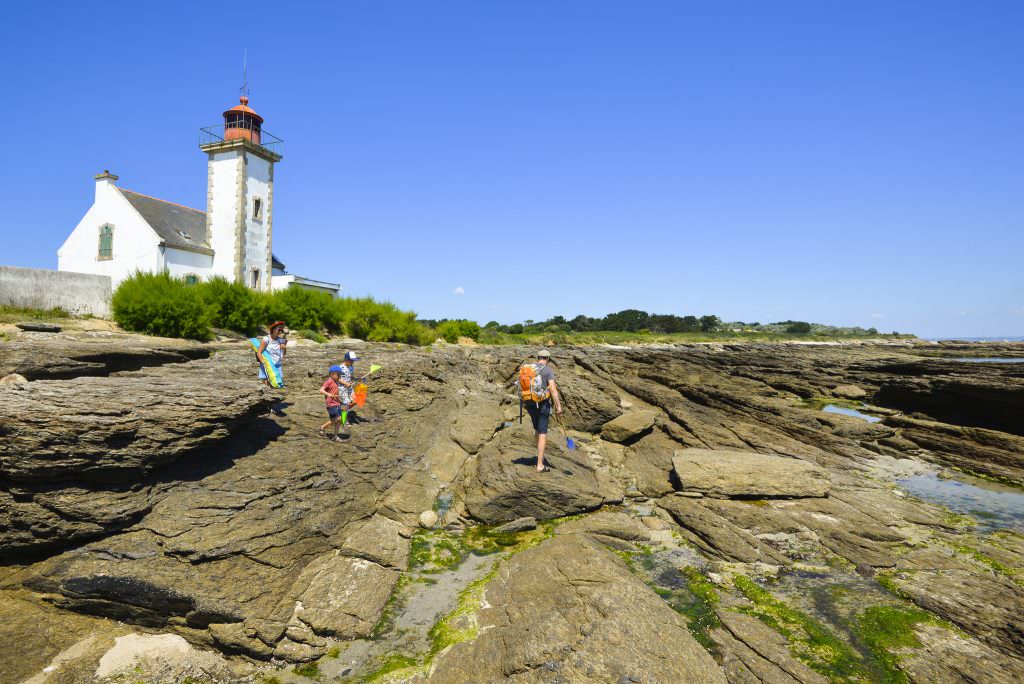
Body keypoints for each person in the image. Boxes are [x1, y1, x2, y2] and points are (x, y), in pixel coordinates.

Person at [522, 349, 563, 472]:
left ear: (538, 357)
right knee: (543, 432)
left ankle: (540, 455)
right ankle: (540, 464)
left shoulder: (529, 368)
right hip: (542, 404)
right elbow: (553, 390)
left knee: (537, 429)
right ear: (548, 359)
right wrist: (558, 407)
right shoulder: (548, 370)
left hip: (529, 402)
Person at [256, 321, 287, 415]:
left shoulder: (281, 340)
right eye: (279, 329)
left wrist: (284, 348)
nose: (280, 331)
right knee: (266, 386)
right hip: (267, 365)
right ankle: (266, 406)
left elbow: (283, 354)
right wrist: (263, 363)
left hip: (277, 365)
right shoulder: (266, 339)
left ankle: (271, 406)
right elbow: (259, 352)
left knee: (274, 385)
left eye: (282, 330)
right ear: (273, 329)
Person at [318, 365, 345, 441]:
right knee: (337, 419)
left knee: (339, 420)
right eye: (338, 374)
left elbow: (335, 393)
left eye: (340, 374)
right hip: (331, 404)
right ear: (331, 374)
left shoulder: (335, 382)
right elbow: (321, 390)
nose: (339, 376)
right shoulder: (328, 381)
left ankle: (335, 436)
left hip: (337, 403)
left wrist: (340, 401)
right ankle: (322, 427)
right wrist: (328, 394)